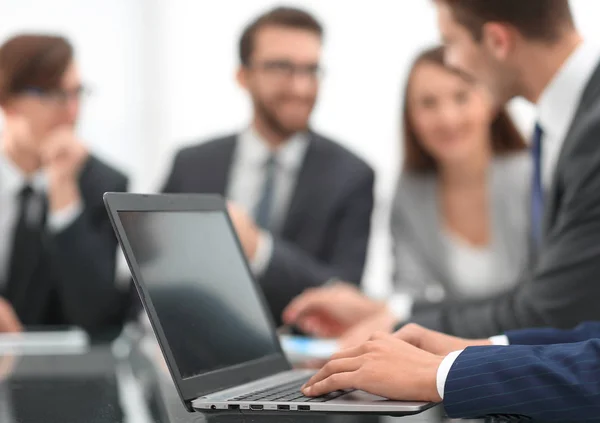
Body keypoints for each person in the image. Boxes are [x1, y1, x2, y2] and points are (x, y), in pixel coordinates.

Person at [298, 0, 600, 420]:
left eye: (450, 42)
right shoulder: (559, 130)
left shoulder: (582, 133)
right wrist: (467, 348)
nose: (452, 60)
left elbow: (553, 306)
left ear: (497, 40)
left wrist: (442, 369)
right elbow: (589, 330)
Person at [162, 7, 375, 325]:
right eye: (281, 68)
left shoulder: (352, 175)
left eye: (311, 70)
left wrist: (259, 250)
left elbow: (343, 295)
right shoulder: (192, 164)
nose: (301, 88)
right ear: (243, 76)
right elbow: (156, 268)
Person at [337, 46, 530, 346]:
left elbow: (537, 300)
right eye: (428, 103)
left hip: (531, 346)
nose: (447, 118)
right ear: (411, 118)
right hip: (456, 351)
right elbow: (411, 293)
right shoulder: (410, 191)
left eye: (461, 97)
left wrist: (402, 315)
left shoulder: (530, 177)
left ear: (490, 101)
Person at [0, 34, 129, 333]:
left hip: (63, 374)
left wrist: (64, 194)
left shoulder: (104, 184)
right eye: (55, 95)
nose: (72, 112)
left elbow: (98, 318)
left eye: (76, 93)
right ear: (8, 103)